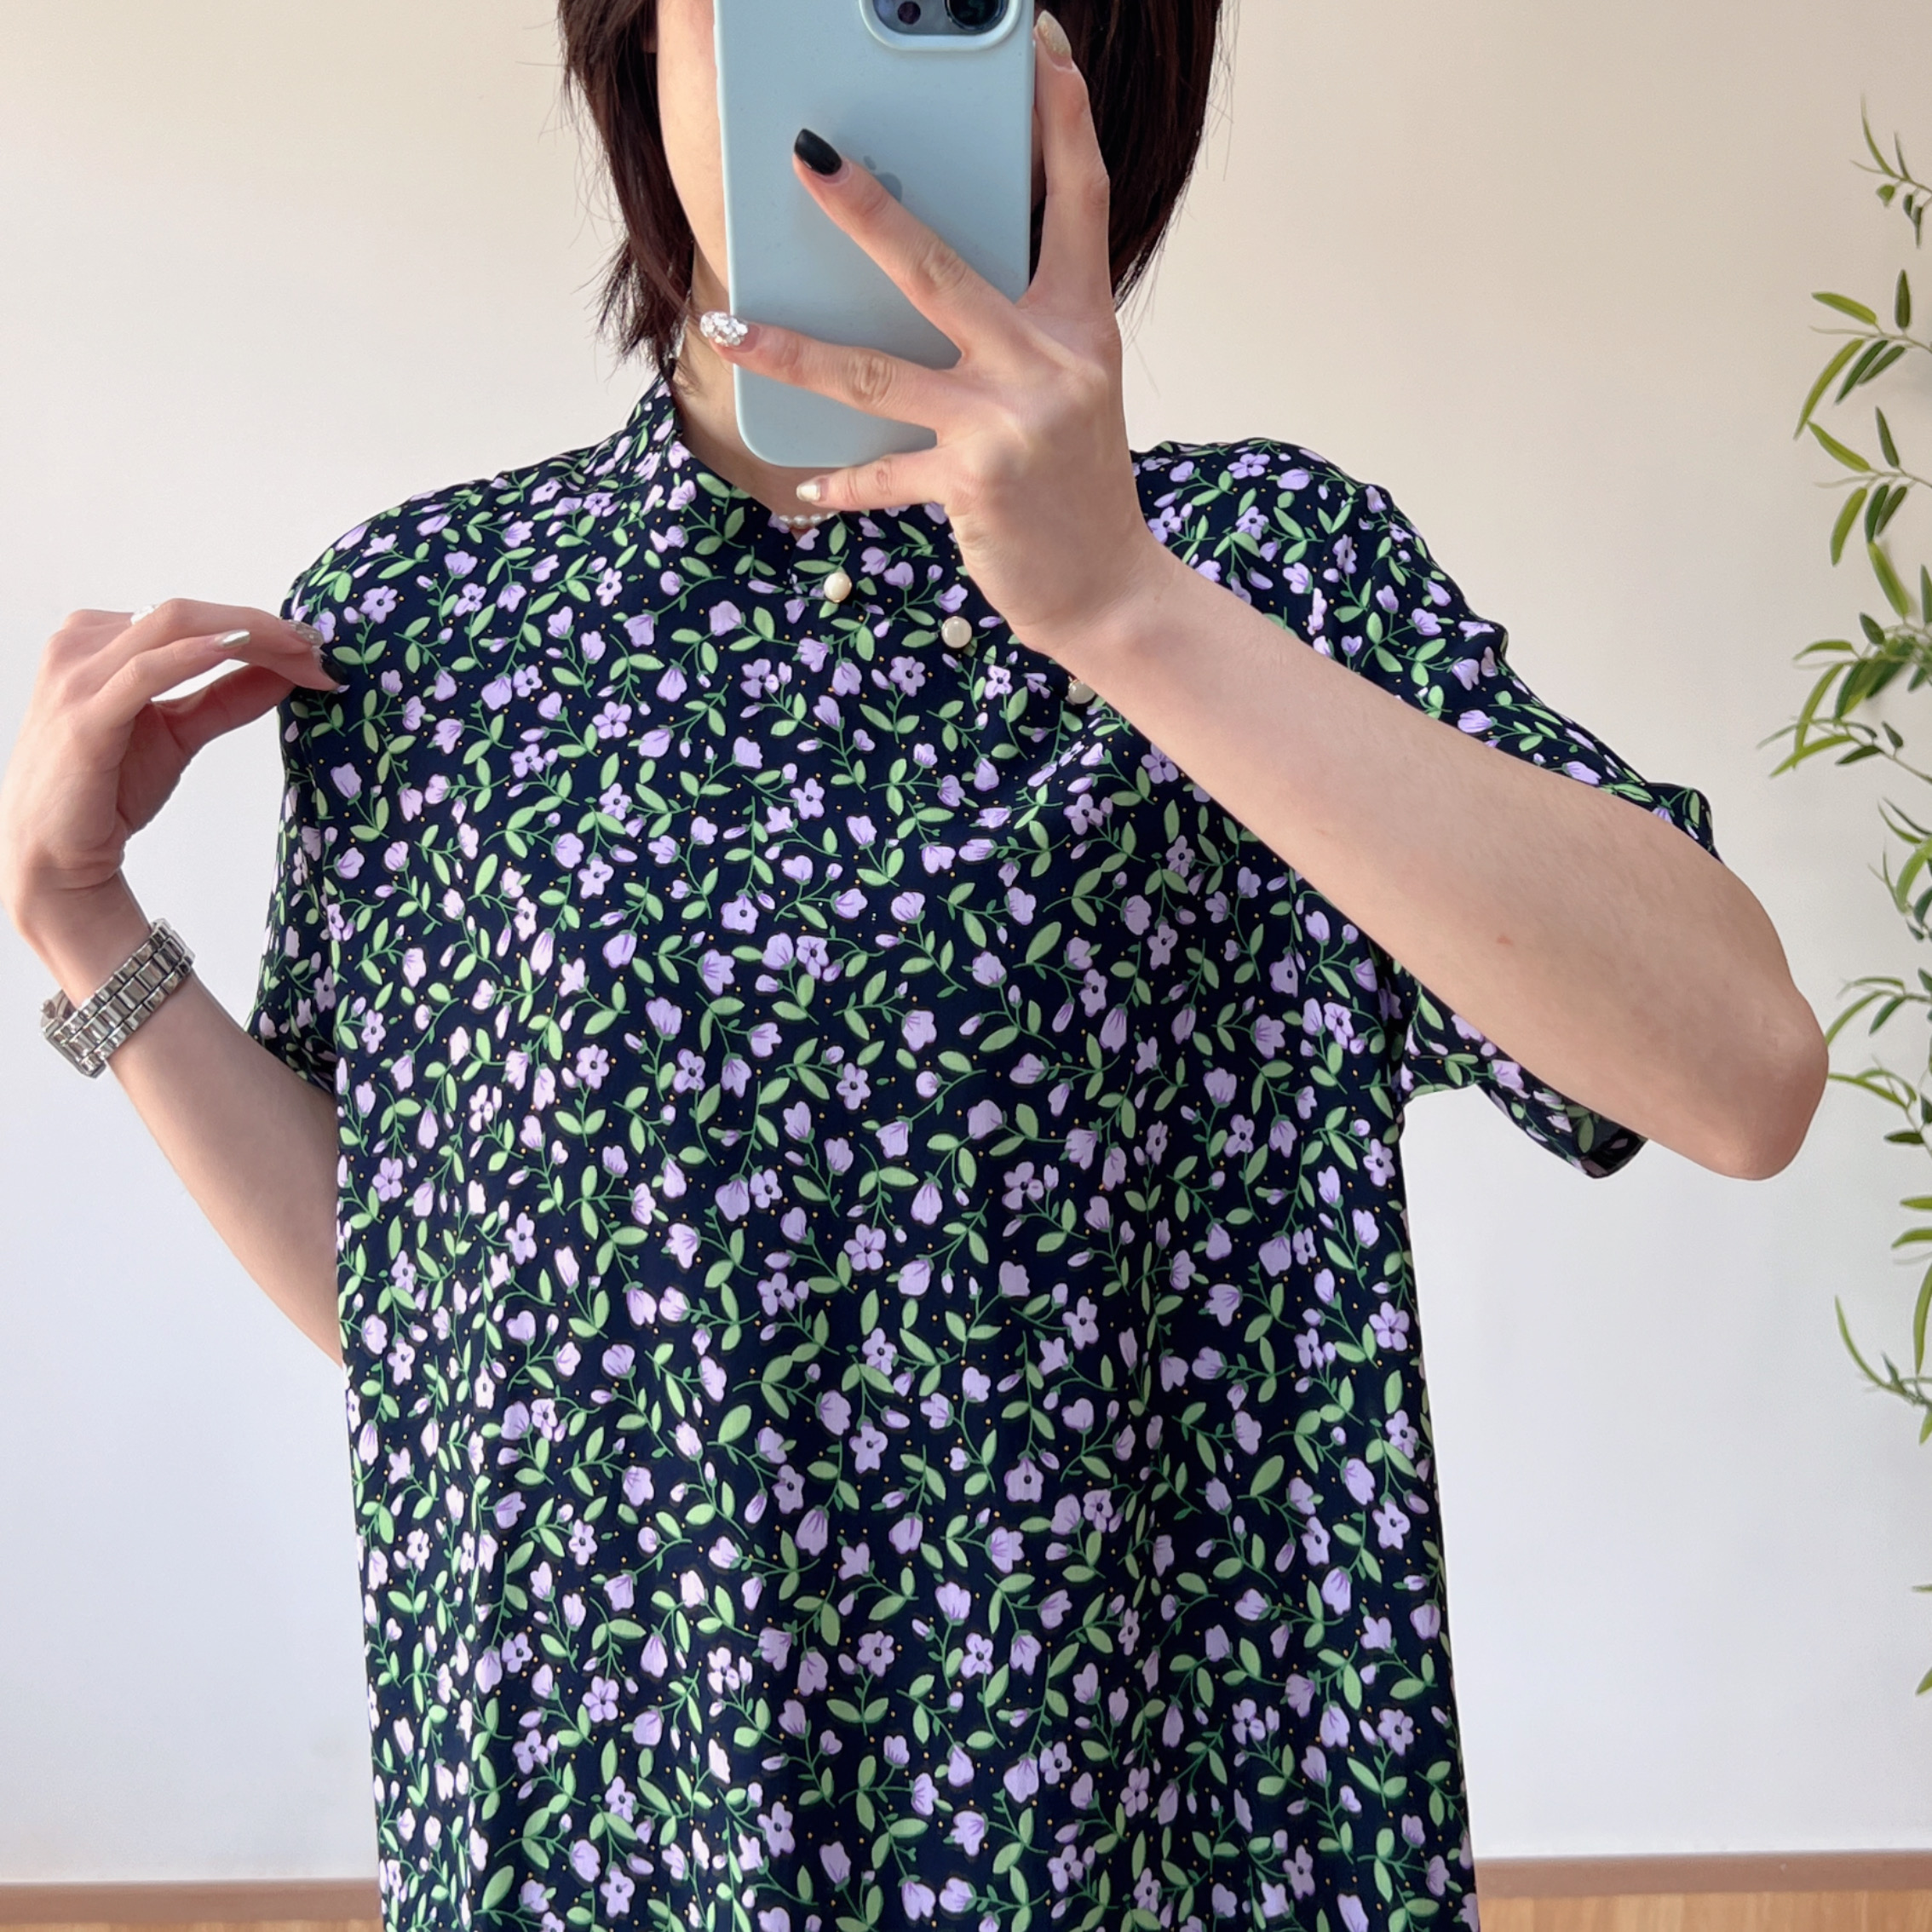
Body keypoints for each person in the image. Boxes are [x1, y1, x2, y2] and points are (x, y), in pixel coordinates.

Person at [0, 3, 1826, 1929]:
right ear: (641, 53)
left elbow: (1742, 1071)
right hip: (624, 1841)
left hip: (1151, 1849)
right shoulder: (435, 626)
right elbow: (437, 1306)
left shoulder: (1266, 575)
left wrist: (1123, 605)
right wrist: (84, 925)